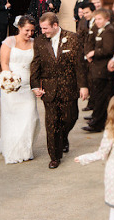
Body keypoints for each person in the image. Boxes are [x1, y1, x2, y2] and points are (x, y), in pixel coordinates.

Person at [30, 12, 88, 169]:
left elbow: (80, 65)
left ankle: (62, 138)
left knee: (71, 117)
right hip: (49, 89)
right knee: (51, 123)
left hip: (69, 86)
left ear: (55, 25)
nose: (43, 31)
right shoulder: (39, 41)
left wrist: (83, 86)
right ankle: (54, 156)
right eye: (41, 28)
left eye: (45, 28)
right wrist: (35, 85)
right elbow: (36, 63)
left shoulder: (73, 38)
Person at [0, 15, 41, 164]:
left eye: (32, 31)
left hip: (28, 86)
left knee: (31, 117)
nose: (29, 33)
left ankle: (25, 150)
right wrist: (10, 80)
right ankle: (13, 150)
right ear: (19, 28)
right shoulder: (9, 42)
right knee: (13, 119)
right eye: (27, 30)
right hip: (12, 86)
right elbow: (4, 63)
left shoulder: (35, 43)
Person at [83, 8, 114, 133]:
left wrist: (94, 53)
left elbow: (108, 49)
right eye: (96, 19)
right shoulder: (99, 29)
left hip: (104, 68)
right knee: (98, 95)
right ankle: (96, 118)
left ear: (106, 19)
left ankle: (97, 123)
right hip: (98, 67)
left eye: (99, 19)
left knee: (102, 97)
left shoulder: (109, 31)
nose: (97, 21)